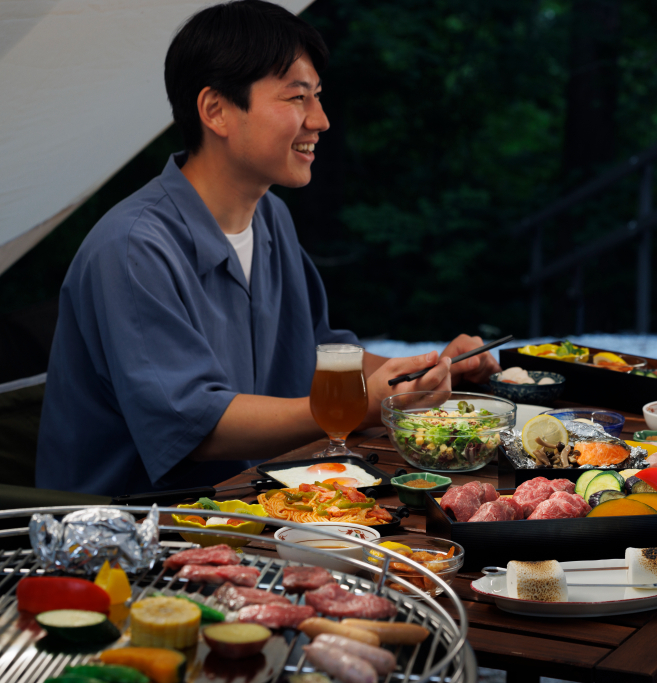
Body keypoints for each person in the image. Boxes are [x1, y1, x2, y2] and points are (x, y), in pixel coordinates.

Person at [36, 0, 498, 497]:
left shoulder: (271, 217)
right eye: (297, 98)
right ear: (216, 110)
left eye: (318, 96)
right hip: (138, 535)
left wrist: (428, 374)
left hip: (257, 501)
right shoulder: (133, 248)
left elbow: (323, 354)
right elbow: (198, 426)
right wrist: (349, 408)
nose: (320, 120)